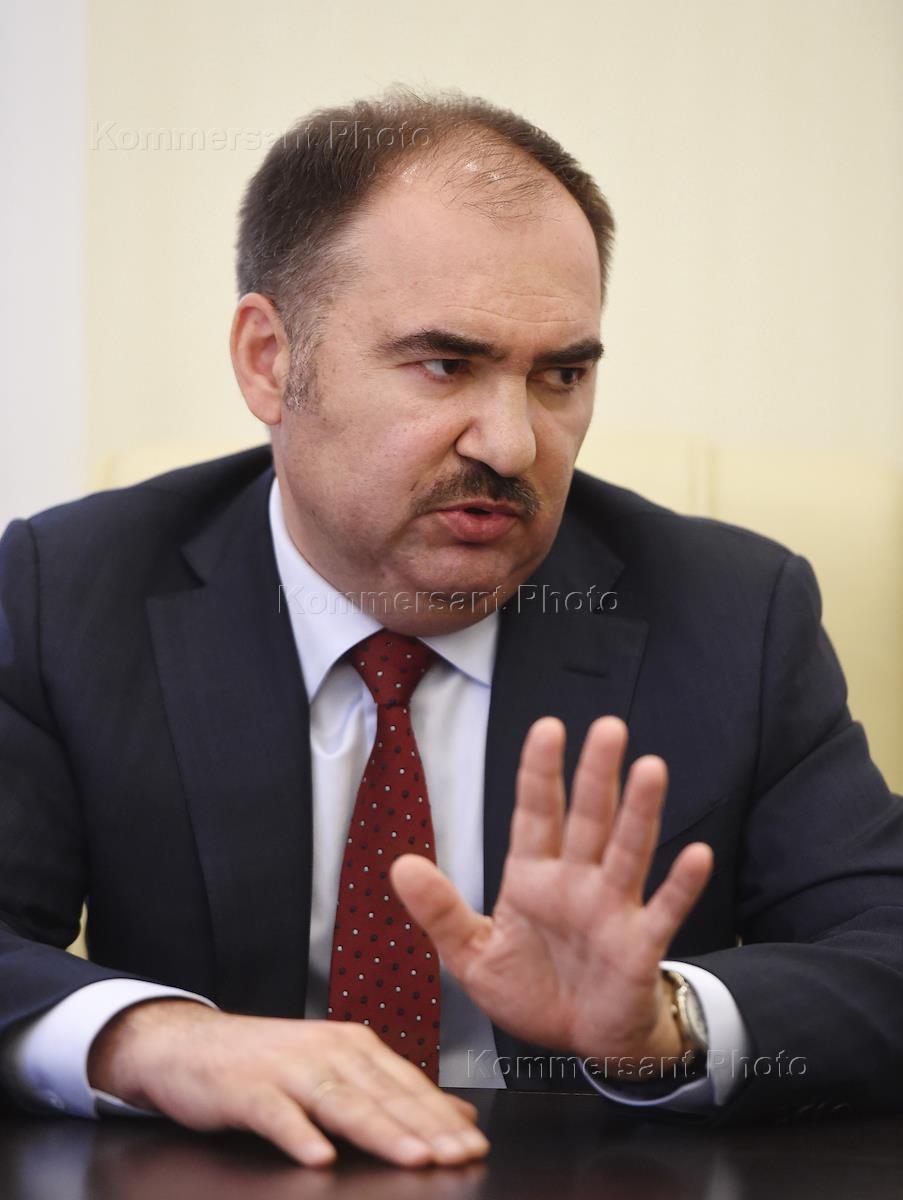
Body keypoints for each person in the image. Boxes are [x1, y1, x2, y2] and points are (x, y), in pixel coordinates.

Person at [1, 90, 902, 1169]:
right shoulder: (71, 592)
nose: (513, 445)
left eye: (561, 375)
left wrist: (665, 1025)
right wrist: (152, 1039)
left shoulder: (731, 613)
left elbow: (886, 950)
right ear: (269, 359)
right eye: (445, 365)